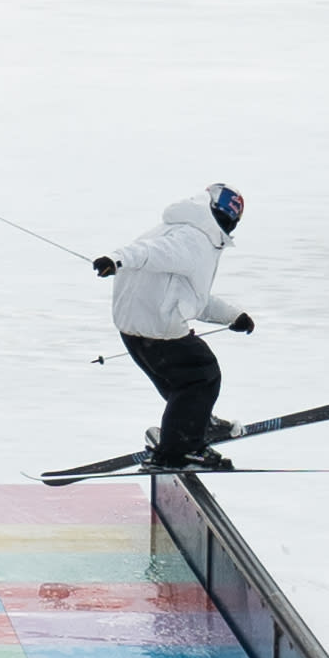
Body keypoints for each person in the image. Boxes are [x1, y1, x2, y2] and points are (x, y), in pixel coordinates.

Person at [99, 181, 254, 469]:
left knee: (181, 384)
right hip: (156, 329)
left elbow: (190, 296)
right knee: (201, 375)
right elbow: (149, 252)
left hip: (134, 330)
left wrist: (232, 316)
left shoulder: (182, 229)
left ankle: (193, 424)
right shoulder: (194, 238)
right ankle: (179, 451)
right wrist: (116, 259)